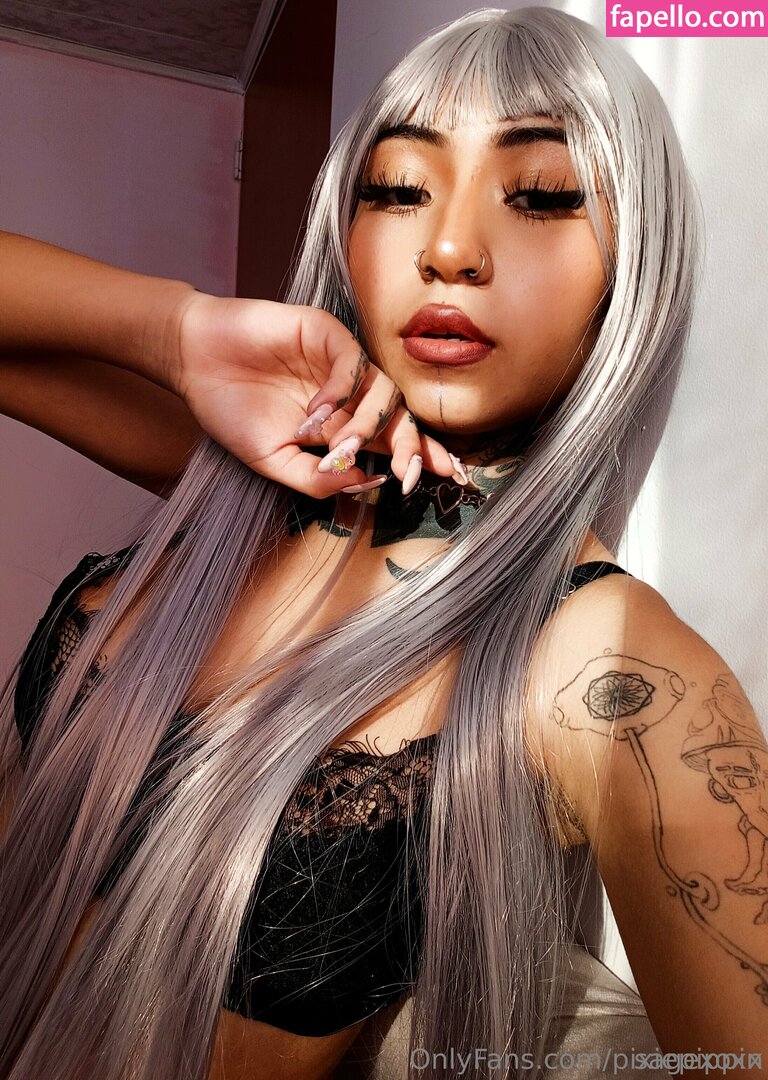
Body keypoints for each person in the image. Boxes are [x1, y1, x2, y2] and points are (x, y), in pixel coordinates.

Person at [0, 6, 765, 1079]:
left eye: (543, 195)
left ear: (631, 271)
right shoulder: (257, 475)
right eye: (400, 189)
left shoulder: (612, 660)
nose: (448, 248)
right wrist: (176, 330)